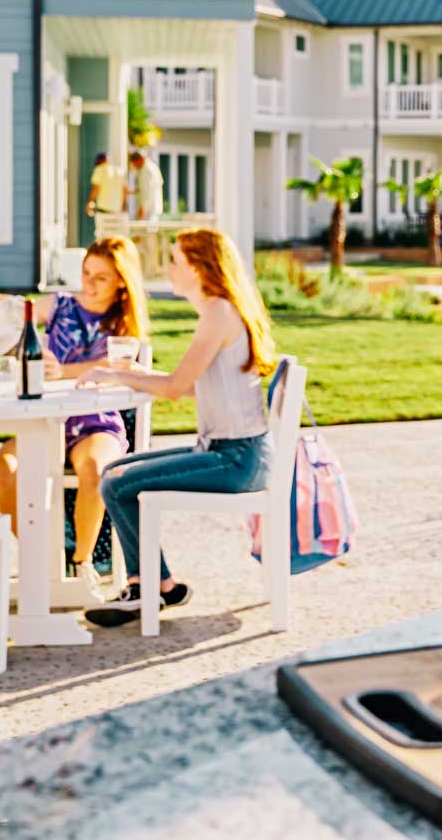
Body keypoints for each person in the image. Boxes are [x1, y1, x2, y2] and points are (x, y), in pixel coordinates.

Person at [75, 226, 276, 627]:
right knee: (115, 471)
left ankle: (144, 586)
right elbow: (194, 385)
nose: (168, 268)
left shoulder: (218, 313)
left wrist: (119, 377)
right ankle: (159, 584)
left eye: (175, 260)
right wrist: (136, 372)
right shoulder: (219, 311)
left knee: (116, 482)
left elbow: (172, 389)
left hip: (235, 459)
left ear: (199, 267)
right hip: (234, 452)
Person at [0, 236, 149, 595]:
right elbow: (19, 308)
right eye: (86, 273)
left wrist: (65, 371)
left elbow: (121, 365)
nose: (89, 283)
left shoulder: (124, 326)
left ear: (122, 284)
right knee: (1, 470)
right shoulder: (63, 304)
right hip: (47, 422)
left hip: (96, 423)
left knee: (95, 470)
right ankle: (43, 560)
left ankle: (81, 566)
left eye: (101, 277)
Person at [87, 151, 126, 231]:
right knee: (114, 236)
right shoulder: (120, 172)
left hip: (103, 210)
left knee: (102, 235)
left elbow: (96, 188)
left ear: (100, 161)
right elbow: (125, 191)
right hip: (117, 210)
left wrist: (90, 202)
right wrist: (123, 207)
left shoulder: (99, 170)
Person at [129, 148, 163, 223]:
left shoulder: (147, 170)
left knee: (146, 233)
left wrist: (143, 208)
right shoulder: (148, 167)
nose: (134, 166)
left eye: (134, 163)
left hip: (148, 211)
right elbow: (143, 188)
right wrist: (132, 191)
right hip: (150, 209)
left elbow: (147, 190)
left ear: (139, 159)